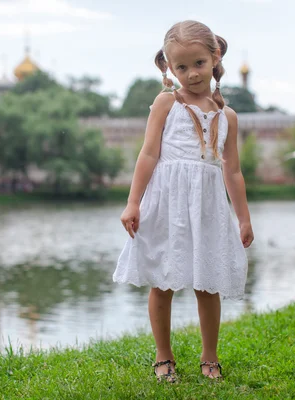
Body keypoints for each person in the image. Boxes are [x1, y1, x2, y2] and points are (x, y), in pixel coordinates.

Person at [113, 20, 254, 382]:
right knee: (162, 280)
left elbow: (233, 172)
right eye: (181, 67)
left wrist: (243, 218)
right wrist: (133, 203)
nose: (191, 74)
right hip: (167, 204)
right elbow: (147, 156)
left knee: (208, 283)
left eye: (198, 64)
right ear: (169, 68)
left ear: (215, 57)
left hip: (207, 207)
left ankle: (210, 358)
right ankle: (164, 358)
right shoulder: (165, 104)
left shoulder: (228, 117)